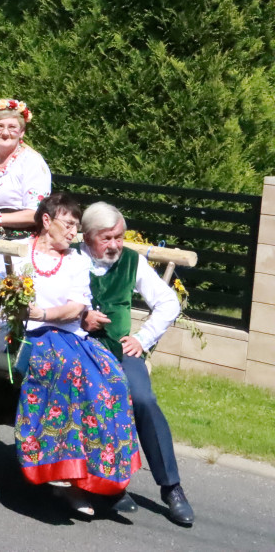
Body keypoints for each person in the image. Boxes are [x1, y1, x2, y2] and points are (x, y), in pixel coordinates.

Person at [0, 193, 140, 516]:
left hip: (66, 335)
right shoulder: (17, 252)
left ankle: (93, 478)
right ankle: (60, 476)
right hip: (25, 338)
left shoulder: (75, 261)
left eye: (77, 226)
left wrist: (42, 313)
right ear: (46, 221)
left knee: (113, 379)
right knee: (68, 372)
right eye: (69, 225)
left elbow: (77, 308)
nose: (74, 233)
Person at [78, 202, 194, 525]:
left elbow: (168, 302)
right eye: (107, 238)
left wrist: (142, 339)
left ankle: (172, 488)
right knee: (94, 398)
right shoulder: (71, 259)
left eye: (119, 236)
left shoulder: (132, 261)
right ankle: (107, 486)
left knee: (143, 398)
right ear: (87, 237)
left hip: (119, 350)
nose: (115, 245)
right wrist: (79, 318)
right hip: (79, 349)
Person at [0, 99, 51, 238]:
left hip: (18, 235)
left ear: (22, 132)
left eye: (12, 127)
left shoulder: (32, 162)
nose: (5, 133)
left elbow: (36, 213)